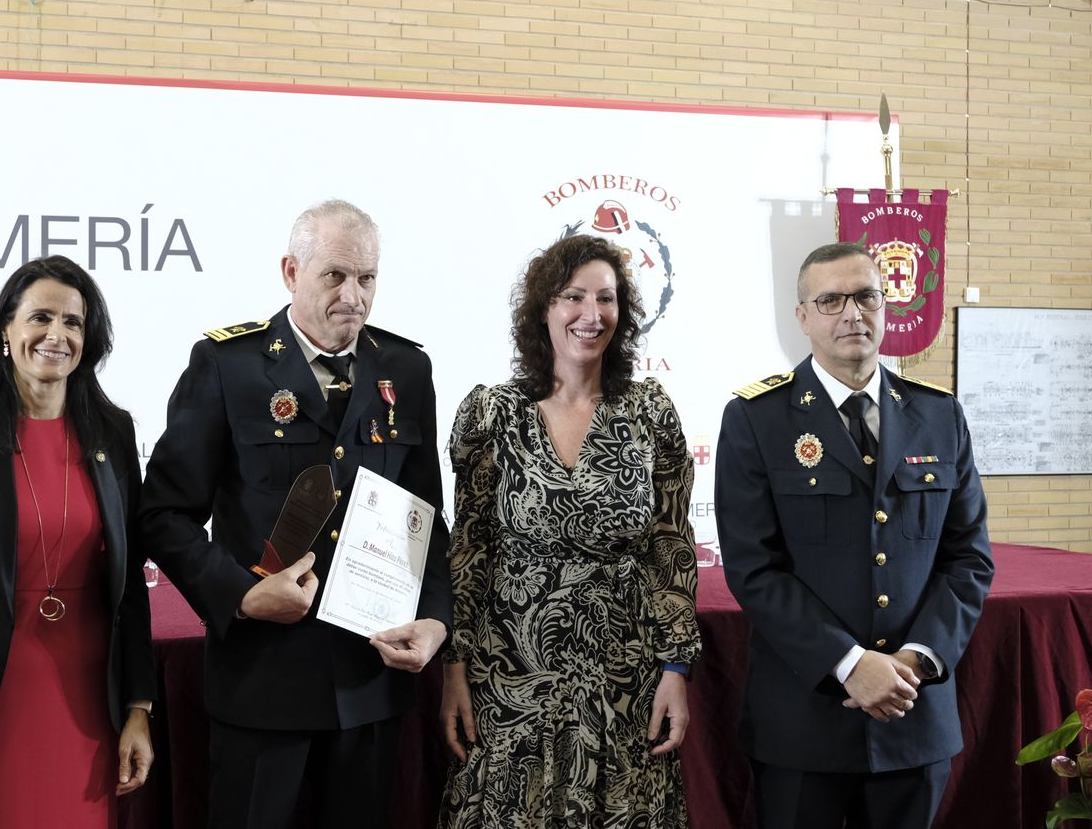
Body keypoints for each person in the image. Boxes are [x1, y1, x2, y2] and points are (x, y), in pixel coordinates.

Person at [137, 199, 452, 829]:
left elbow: (427, 518)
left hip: (371, 681)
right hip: (263, 685)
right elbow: (163, 516)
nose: (353, 296)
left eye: (367, 278)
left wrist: (437, 620)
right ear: (291, 272)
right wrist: (241, 595)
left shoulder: (407, 368)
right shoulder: (228, 365)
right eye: (334, 276)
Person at [714, 242, 994, 829]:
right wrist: (848, 663)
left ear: (885, 306)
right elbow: (753, 567)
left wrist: (914, 661)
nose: (852, 313)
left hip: (913, 714)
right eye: (831, 300)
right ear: (803, 316)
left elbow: (968, 558)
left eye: (866, 296)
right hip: (804, 722)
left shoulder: (939, 415)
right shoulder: (757, 418)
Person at [439, 233, 701, 828]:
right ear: (544, 311)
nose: (592, 314)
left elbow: (671, 548)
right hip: (511, 682)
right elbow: (470, 551)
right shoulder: (493, 415)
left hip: (625, 682)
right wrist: (454, 670)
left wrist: (676, 670)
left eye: (606, 299)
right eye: (573, 297)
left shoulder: (650, 413)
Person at [0, 255, 156, 826]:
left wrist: (139, 709)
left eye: (73, 322)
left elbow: (130, 583)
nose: (57, 335)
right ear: (6, 332)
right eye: (40, 317)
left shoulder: (114, 431)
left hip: (90, 707)